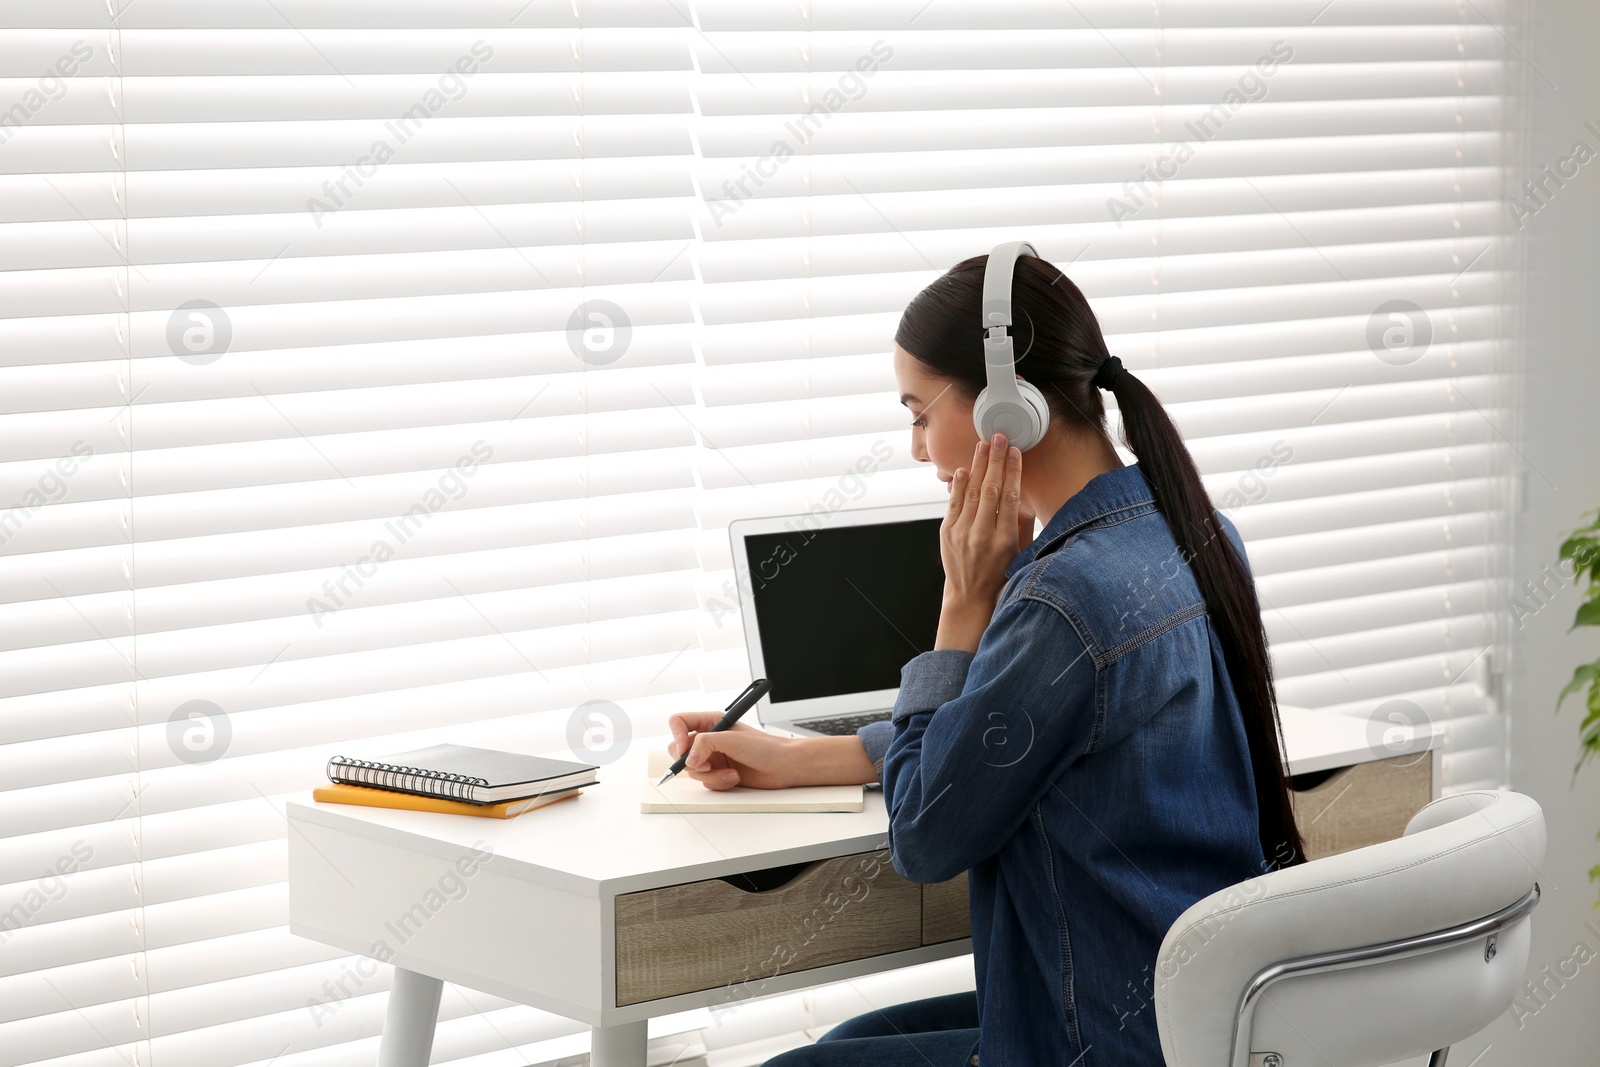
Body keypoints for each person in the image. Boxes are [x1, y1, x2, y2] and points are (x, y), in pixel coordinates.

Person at [666, 251, 1305, 1066]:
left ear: (1007, 407)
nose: (914, 447)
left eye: (918, 413)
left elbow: (925, 837)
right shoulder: (1188, 529)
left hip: (1097, 1041)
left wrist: (963, 606)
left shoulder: (1061, 600)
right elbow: (1016, 725)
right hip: (1191, 1012)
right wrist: (798, 758)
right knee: (850, 1042)